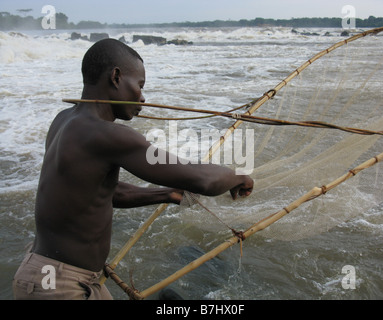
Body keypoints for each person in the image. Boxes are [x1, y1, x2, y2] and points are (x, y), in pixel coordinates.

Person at [12, 39, 254, 300]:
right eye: (139, 85)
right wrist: (237, 177)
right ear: (116, 77)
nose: (142, 97)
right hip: (56, 285)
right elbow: (203, 180)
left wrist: (166, 195)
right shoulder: (108, 135)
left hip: (55, 274)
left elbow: (102, 193)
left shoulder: (63, 121)